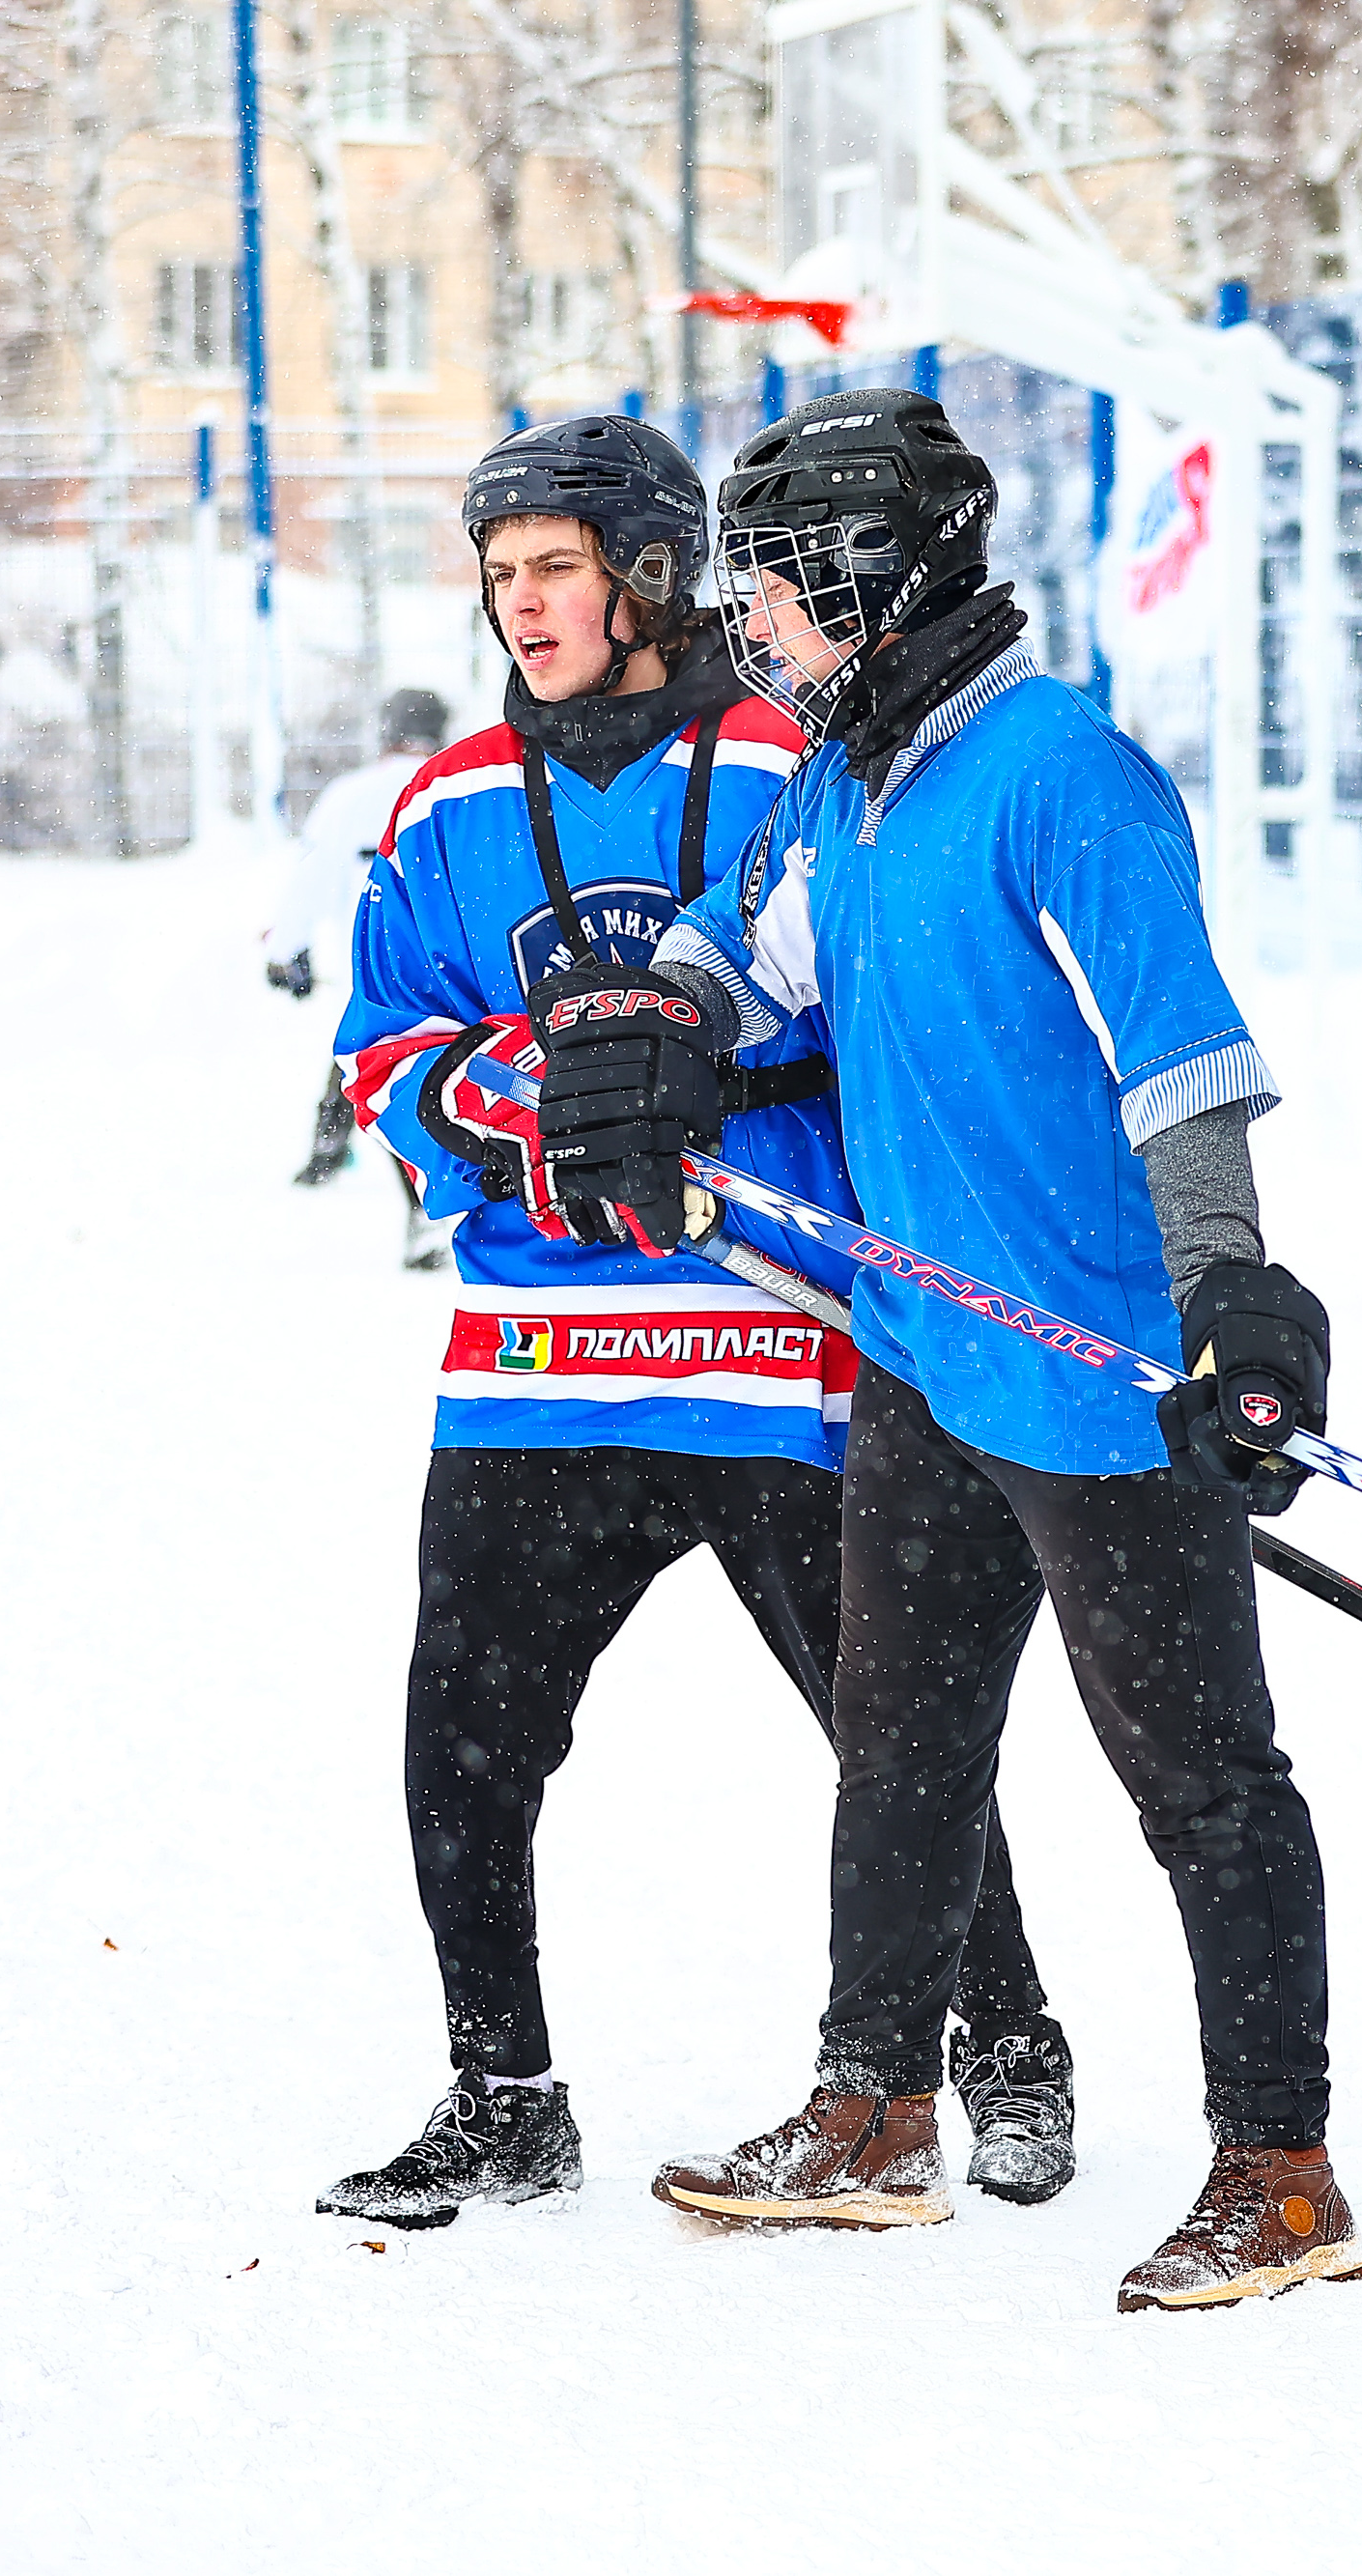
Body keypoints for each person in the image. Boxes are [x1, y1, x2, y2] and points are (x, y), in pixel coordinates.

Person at [528, 389, 1361, 2310]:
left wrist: (1227, 1298)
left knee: (1207, 1786)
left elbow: (1184, 1071)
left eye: (774, 588)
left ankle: (1284, 2169)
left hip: (1097, 1376)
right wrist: (660, 1028)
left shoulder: (1064, 776)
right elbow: (768, 965)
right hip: (917, 1348)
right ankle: (876, 2103)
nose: (747, 622)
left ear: (870, 584)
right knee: (898, 1755)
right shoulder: (844, 779)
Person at [311, 411, 1072, 2228]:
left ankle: (1009, 2045)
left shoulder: (796, 762)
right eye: (501, 576)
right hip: (535, 1371)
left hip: (775, 1346)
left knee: (897, 1736)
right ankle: (504, 2096)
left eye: (554, 567)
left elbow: (864, 1018)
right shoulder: (454, 803)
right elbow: (379, 1050)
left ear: (652, 571)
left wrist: (705, 1083)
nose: (523, 606)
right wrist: (507, 1103)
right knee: (460, 1745)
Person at [266, 687, 448, 1264]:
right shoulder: (457, 784)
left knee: (378, 1065)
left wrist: (286, 951)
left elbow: (312, 874)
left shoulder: (351, 796)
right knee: (435, 1077)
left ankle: (398, 1192)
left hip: (377, 966)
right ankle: (341, 1155)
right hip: (459, 964)